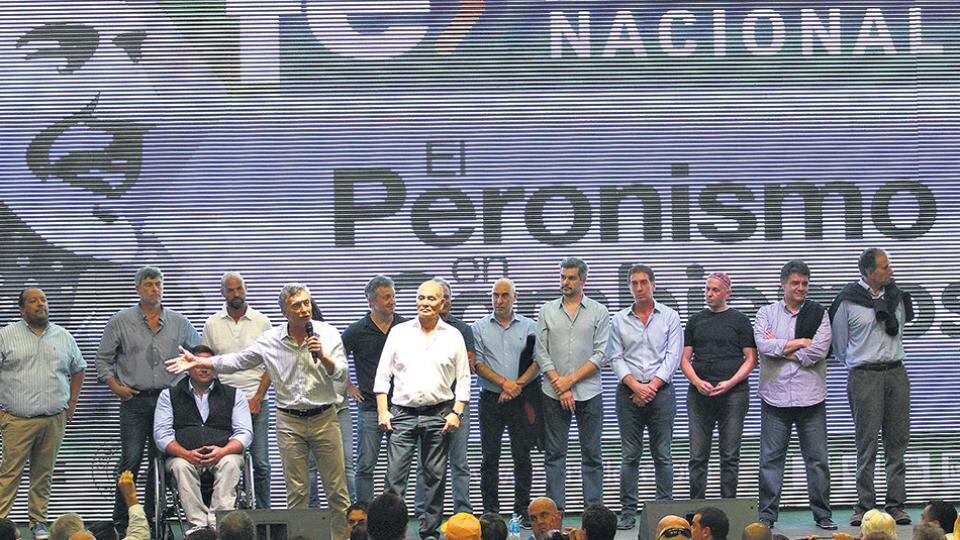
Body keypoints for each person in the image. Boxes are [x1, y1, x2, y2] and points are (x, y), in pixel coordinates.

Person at [166, 283, 351, 540]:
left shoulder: (327, 334)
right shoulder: (271, 340)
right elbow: (238, 360)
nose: (304, 310)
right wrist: (200, 361)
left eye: (307, 303)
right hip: (290, 421)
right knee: (297, 491)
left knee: (337, 490)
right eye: (296, 305)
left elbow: (341, 373)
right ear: (285, 312)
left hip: (324, 418)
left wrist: (323, 356)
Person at [97, 266, 201, 532]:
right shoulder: (120, 320)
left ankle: (154, 519)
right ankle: (122, 521)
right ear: (137, 289)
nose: (155, 289)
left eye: (158, 284)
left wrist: (189, 384)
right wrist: (115, 387)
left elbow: (199, 356)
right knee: (130, 460)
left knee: (160, 462)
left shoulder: (180, 322)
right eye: (149, 284)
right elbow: (103, 359)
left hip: (168, 402)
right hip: (134, 401)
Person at [374, 279, 470, 539]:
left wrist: (456, 412)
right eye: (421, 297)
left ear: (442, 303)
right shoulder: (399, 332)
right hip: (402, 414)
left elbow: (464, 378)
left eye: (431, 298)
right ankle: (391, 531)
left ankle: (429, 531)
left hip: (439, 413)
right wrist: (383, 410)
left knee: (434, 479)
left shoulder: (453, 335)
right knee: (394, 479)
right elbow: (383, 375)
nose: (425, 303)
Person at [830, 248, 912, 526]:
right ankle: (865, 506)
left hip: (896, 373)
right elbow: (839, 345)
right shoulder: (848, 300)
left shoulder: (896, 296)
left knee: (897, 442)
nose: (891, 271)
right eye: (885, 267)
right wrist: (863, 362)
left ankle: (896, 505)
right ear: (869, 272)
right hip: (864, 376)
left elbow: (900, 332)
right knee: (866, 443)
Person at [754, 260, 835, 530]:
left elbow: (818, 352)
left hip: (811, 398)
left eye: (805, 283)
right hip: (775, 398)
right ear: (783, 284)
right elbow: (764, 345)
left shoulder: (818, 314)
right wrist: (800, 342)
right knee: (770, 461)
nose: (801, 288)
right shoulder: (766, 313)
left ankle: (822, 515)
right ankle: (767, 516)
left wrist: (782, 349)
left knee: (817, 460)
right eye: (795, 283)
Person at [0, 288, 85, 540]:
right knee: (9, 474)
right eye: (33, 301)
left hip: (53, 420)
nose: (40, 304)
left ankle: (38, 522)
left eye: (43, 300)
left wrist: (72, 403)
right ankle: (1, 522)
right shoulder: (6, 335)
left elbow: (79, 368)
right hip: (17, 420)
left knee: (43, 474)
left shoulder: (63, 336)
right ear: (22, 309)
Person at [607, 264, 682, 530]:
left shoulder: (670, 316)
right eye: (634, 283)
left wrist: (651, 386)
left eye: (643, 282)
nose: (639, 288)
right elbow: (615, 357)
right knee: (630, 455)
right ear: (629, 287)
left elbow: (673, 356)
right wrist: (636, 386)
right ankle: (628, 512)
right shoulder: (618, 320)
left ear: (653, 285)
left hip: (662, 394)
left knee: (663, 454)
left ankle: (664, 511)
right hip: (628, 394)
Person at [534, 257, 609, 510]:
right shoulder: (546, 310)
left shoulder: (599, 311)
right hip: (553, 393)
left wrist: (569, 382)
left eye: (571, 278)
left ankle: (593, 513)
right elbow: (541, 352)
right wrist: (560, 384)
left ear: (583, 280)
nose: (565, 282)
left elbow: (601, 354)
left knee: (592, 455)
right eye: (563, 277)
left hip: (589, 393)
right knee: (554, 455)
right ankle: (554, 513)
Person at [154, 345, 253, 533]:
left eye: (207, 364)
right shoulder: (169, 395)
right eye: (198, 364)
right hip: (184, 456)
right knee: (180, 466)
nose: (204, 369)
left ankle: (218, 524)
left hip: (224, 454)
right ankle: (198, 528)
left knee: (231, 463)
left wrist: (223, 451)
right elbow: (162, 435)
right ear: (188, 367)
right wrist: (186, 454)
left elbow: (245, 433)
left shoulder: (235, 394)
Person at [680, 272, 756, 499]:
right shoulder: (695, 320)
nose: (709, 294)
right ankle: (695, 508)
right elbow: (684, 359)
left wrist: (730, 383)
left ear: (727, 293)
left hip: (734, 395)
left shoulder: (740, 320)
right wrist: (697, 382)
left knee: (730, 456)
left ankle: (728, 507)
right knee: (697, 456)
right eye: (707, 289)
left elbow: (751, 359)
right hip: (699, 396)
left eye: (715, 290)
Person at [202, 272, 273, 509]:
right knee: (224, 461)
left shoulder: (262, 321)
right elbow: (208, 365)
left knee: (261, 463)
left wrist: (258, 397)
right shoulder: (212, 324)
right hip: (223, 403)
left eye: (239, 289)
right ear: (222, 292)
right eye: (230, 290)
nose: (235, 294)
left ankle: (264, 515)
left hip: (256, 400)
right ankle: (224, 513)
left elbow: (271, 365)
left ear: (246, 289)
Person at [472, 277, 539, 522]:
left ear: (515, 297)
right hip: (491, 400)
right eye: (495, 295)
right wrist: (504, 384)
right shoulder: (478, 327)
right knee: (490, 456)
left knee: (522, 456)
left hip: (522, 399)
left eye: (504, 295)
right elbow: (478, 364)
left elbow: (538, 362)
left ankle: (522, 511)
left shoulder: (530, 326)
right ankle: (491, 512)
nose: (499, 301)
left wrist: (516, 386)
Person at [341, 275, 406, 503]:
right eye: (386, 297)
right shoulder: (357, 330)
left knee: (398, 467)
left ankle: (393, 512)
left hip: (401, 406)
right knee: (365, 465)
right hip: (369, 406)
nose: (392, 301)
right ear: (371, 302)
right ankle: (365, 513)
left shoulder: (405, 327)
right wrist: (348, 386)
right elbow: (336, 359)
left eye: (393, 296)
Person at [414, 278, 475, 516]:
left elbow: (469, 367)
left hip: (457, 405)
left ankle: (463, 513)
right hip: (428, 406)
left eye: (447, 297)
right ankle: (423, 513)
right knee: (425, 464)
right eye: (442, 297)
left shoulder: (462, 330)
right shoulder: (414, 329)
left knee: (459, 462)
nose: (445, 301)